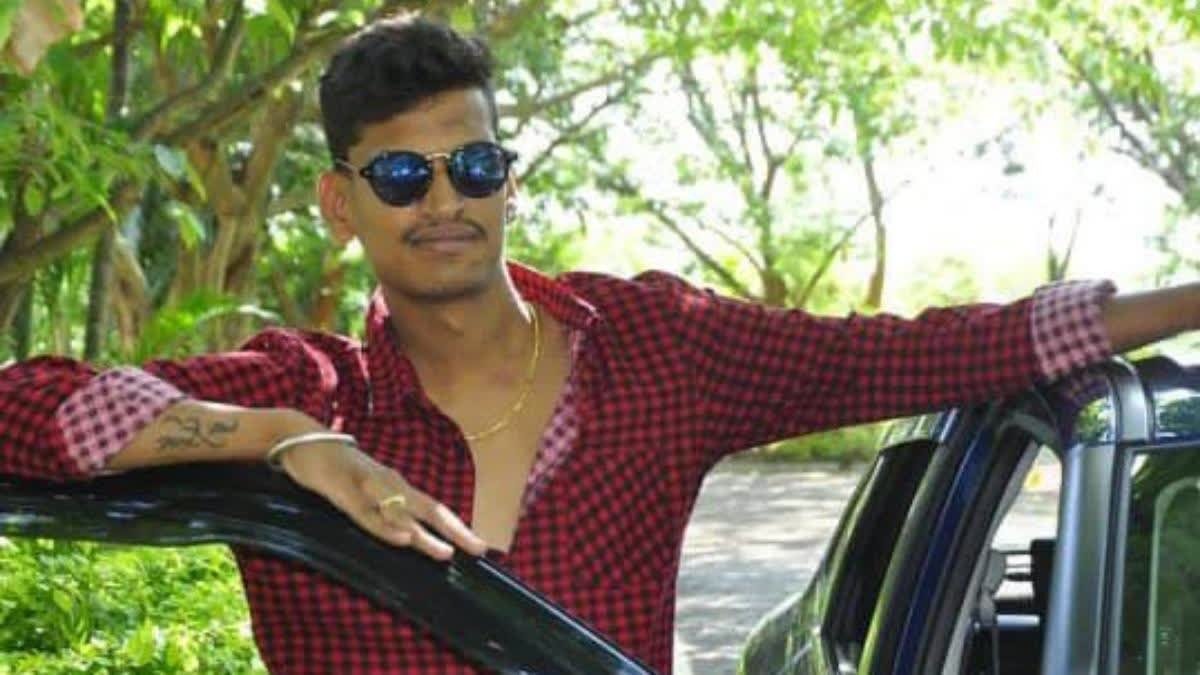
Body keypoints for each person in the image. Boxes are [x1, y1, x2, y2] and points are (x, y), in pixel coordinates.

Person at [0, 12, 1197, 675]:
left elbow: (931, 352)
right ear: (339, 203)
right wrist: (283, 441)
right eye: (403, 175)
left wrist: (1188, 300)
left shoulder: (660, 351)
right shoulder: (315, 387)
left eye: (474, 166)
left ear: (508, 180)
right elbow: (24, 404)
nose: (444, 202)